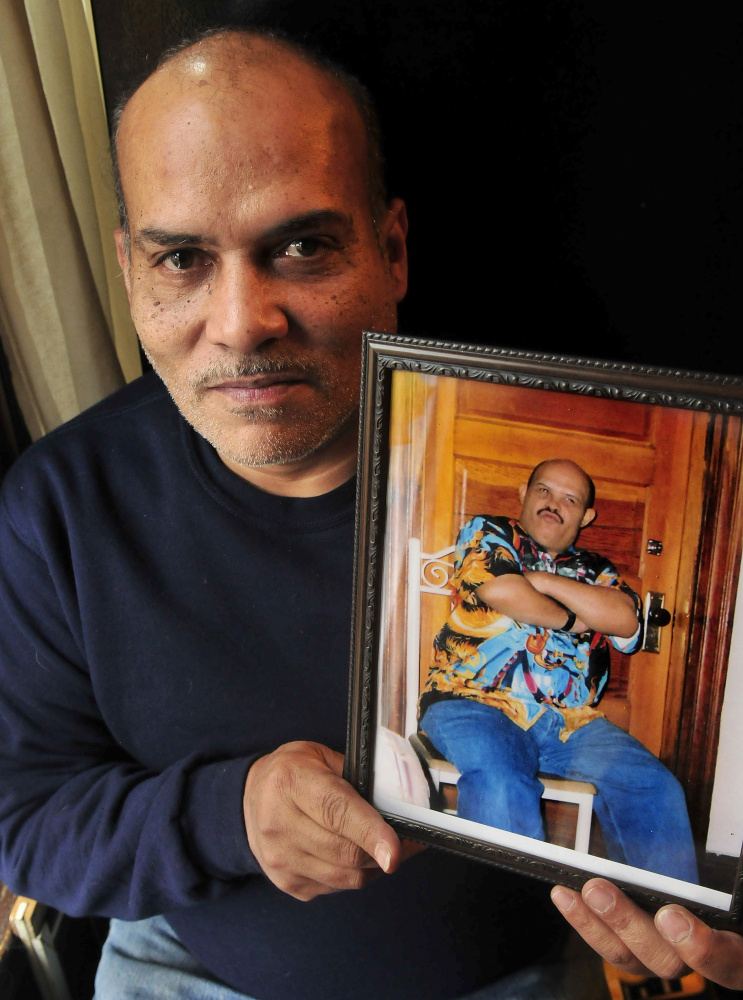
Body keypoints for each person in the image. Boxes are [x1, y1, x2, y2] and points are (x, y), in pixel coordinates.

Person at [0, 25, 741, 1000]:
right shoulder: (61, 506)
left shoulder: (565, 457)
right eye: (181, 258)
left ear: (391, 251)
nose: (240, 321)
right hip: (189, 972)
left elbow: (632, 632)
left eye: (301, 247)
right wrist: (230, 812)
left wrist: (696, 942)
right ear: (128, 266)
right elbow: (22, 817)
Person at [419, 458, 698, 883]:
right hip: (474, 700)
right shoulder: (489, 532)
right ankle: (498, 928)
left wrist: (545, 582)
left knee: (655, 790)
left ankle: (669, 932)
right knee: (500, 781)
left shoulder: (597, 569)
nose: (554, 504)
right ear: (523, 494)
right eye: (544, 491)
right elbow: (500, 587)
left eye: (570, 499)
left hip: (569, 722)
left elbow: (625, 622)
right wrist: (573, 619)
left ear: (586, 516)